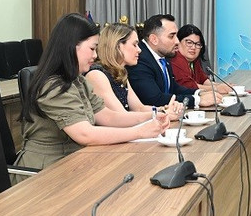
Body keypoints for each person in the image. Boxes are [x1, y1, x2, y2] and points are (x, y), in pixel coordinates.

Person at [15, 13, 170, 175]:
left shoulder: (78, 81)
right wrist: (139, 132)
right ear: (71, 46)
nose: (95, 55)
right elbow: (85, 134)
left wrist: (152, 116)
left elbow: (107, 116)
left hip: (74, 159)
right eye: (92, 48)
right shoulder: (53, 86)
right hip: (45, 169)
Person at [86, 23, 184, 118]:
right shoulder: (96, 75)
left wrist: (163, 109)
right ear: (117, 45)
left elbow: (139, 108)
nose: (139, 50)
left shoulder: (120, 72)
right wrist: (162, 113)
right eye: (134, 45)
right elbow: (121, 117)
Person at [127, 14, 222, 108]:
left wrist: (199, 93)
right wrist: (197, 100)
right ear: (154, 39)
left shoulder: (163, 55)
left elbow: (173, 88)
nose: (177, 41)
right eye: (171, 36)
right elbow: (154, 99)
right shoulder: (139, 59)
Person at [169, 24, 231, 95]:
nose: (193, 47)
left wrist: (221, 86)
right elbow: (189, 87)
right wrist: (216, 89)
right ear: (178, 42)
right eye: (189, 43)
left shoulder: (194, 60)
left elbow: (203, 79)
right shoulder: (176, 60)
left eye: (198, 44)